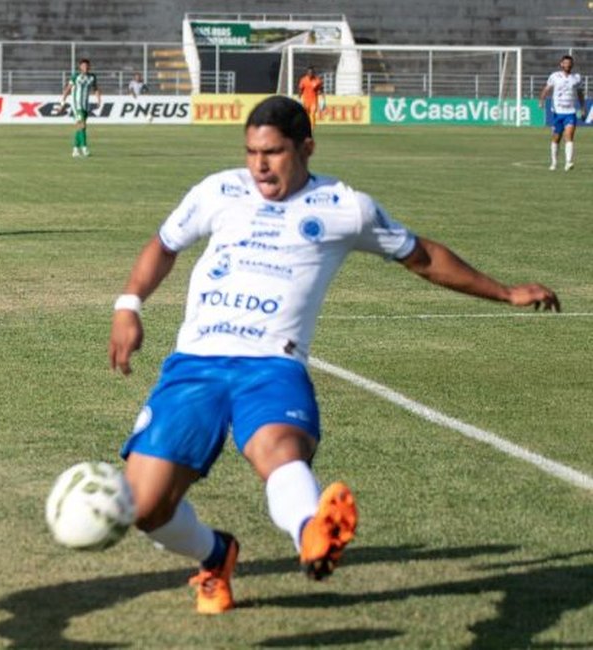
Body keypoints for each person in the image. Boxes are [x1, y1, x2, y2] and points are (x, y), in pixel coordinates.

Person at [107, 95, 560, 615]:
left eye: (273, 152)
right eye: (252, 151)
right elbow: (164, 245)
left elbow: (423, 256)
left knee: (278, 451)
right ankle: (217, 555)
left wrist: (503, 292)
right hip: (196, 364)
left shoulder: (345, 207)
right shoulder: (218, 190)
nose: (259, 165)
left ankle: (312, 535)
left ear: (306, 148)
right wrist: (128, 305)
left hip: (273, 365)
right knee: (145, 507)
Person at [539, 55, 585, 171]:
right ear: (561, 64)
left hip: (570, 112)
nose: (568, 65)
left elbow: (580, 93)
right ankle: (554, 162)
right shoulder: (554, 76)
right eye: (565, 63)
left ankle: (568, 162)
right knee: (556, 138)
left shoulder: (576, 78)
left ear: (572, 65)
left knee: (569, 136)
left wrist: (583, 107)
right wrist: (541, 100)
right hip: (558, 113)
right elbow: (546, 89)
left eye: (570, 63)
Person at [59, 58, 101, 158]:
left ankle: (75, 150)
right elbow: (67, 90)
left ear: (89, 67)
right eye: (83, 66)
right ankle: (84, 148)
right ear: (80, 67)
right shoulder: (76, 76)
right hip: (76, 105)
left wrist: (99, 100)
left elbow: (96, 89)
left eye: (87, 66)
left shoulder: (92, 77)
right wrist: (62, 103)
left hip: (85, 105)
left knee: (81, 127)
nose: (85, 67)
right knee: (82, 125)